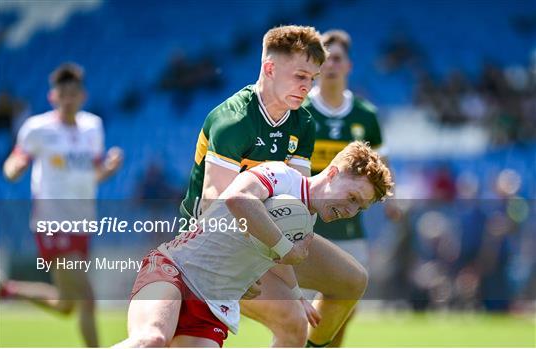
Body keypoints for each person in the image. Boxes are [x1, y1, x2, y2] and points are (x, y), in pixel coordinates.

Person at [178, 24, 375, 347]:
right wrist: (259, 267)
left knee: (352, 280)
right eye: (300, 76)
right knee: (293, 322)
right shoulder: (234, 120)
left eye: (311, 78)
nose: (307, 86)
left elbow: (297, 202)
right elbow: (214, 204)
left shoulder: (302, 122)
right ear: (269, 68)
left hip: (267, 233)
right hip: (209, 242)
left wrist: (290, 276)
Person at [116, 141, 393, 347]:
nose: (351, 210)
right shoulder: (281, 176)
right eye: (353, 197)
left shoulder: (305, 222)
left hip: (213, 307)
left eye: (360, 208)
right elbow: (238, 198)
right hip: (174, 270)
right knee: (151, 340)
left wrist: (295, 292)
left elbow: (280, 260)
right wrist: (286, 248)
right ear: (333, 173)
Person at [0, 62, 123, 347]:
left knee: (66, 305)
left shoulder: (93, 127)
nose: (68, 98)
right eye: (62, 93)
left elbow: (93, 176)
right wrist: (14, 168)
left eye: (73, 93)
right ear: (52, 97)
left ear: (83, 96)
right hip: (52, 221)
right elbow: (14, 161)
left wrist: (110, 170)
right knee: (88, 298)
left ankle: (7, 290)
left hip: (82, 222)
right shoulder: (37, 128)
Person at [301, 29, 386, 347]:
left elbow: (380, 170)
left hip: (350, 229)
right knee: (298, 312)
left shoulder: (366, 116)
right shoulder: (301, 111)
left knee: (343, 311)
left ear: (348, 65)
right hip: (308, 225)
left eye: (337, 58)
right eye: (325, 58)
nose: (331, 65)